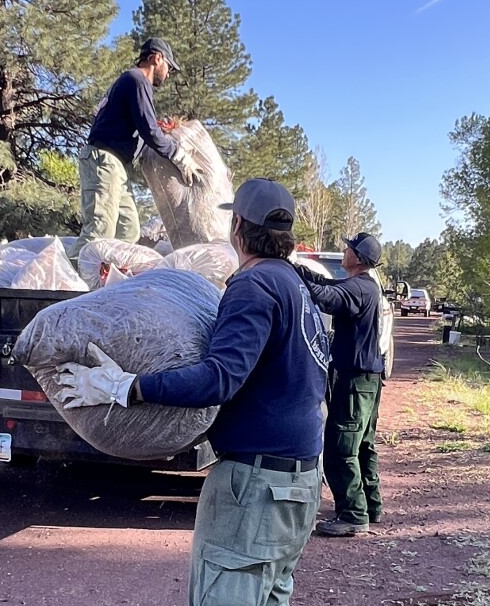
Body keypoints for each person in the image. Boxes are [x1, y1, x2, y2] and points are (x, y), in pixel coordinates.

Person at [54, 178, 329, 606]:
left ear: (237, 225)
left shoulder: (253, 286)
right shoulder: (297, 287)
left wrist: (127, 386)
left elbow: (219, 378)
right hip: (299, 484)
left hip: (255, 488)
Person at [71, 37, 204, 257]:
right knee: (98, 230)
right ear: (157, 58)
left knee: (129, 228)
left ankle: (111, 279)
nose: (168, 73)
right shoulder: (136, 79)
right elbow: (149, 130)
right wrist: (179, 156)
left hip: (114, 165)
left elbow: (145, 130)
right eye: (168, 67)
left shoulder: (132, 82)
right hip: (103, 159)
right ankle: (67, 284)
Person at [293, 232, 386, 537]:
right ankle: (371, 506)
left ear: (357, 258)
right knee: (362, 446)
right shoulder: (366, 285)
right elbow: (331, 287)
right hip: (366, 380)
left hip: (354, 382)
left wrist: (299, 283)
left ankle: (353, 514)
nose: (344, 251)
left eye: (348, 248)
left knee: (340, 448)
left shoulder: (358, 289)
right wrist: (298, 268)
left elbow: (327, 297)